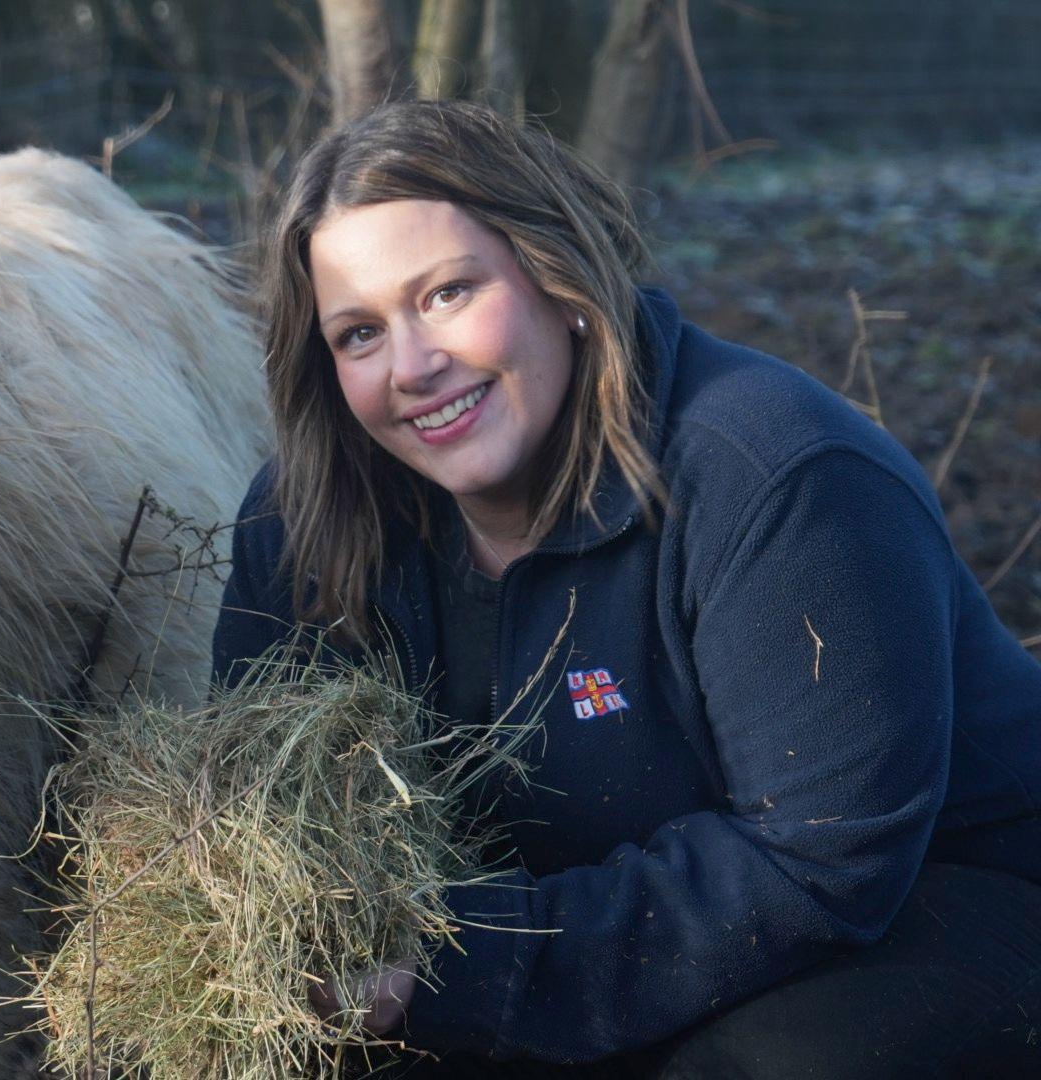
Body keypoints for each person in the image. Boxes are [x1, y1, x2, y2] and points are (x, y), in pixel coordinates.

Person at [210, 100, 1041, 1078]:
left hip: (925, 911)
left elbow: (820, 868)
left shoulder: (778, 479)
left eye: (446, 294)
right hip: (582, 932)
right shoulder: (312, 516)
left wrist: (452, 964)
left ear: (558, 274)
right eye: (357, 334)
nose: (413, 367)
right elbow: (261, 804)